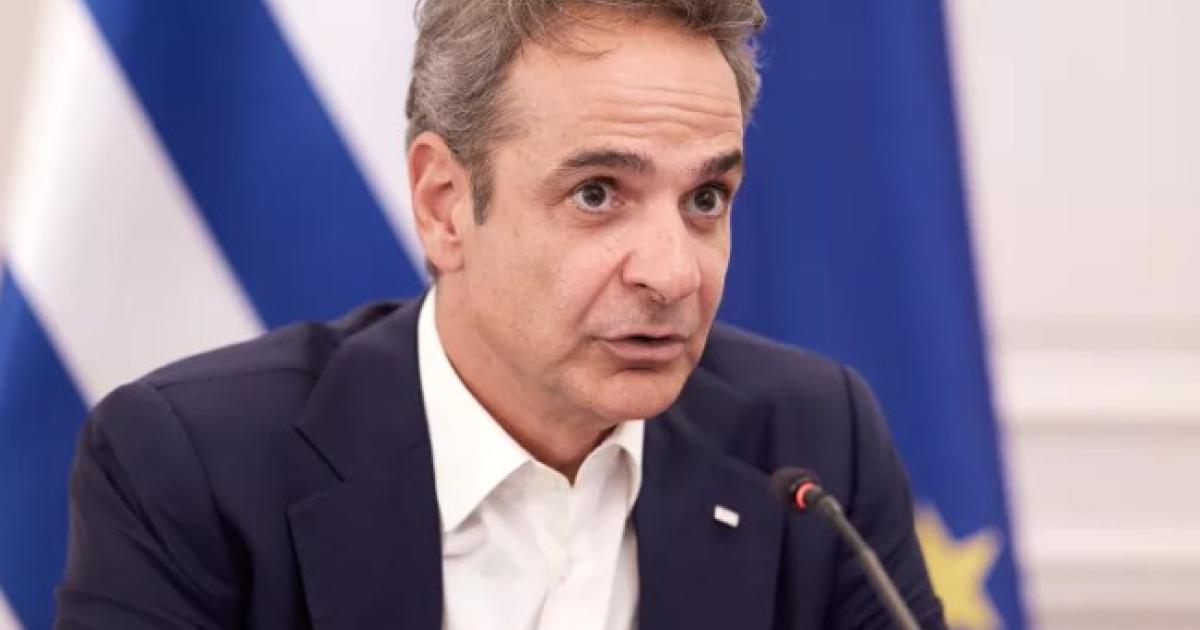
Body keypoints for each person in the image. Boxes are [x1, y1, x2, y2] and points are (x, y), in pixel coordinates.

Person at [56, 1, 946, 628]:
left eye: (705, 199)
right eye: (598, 193)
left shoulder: (811, 443)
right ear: (445, 205)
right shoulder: (195, 467)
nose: (674, 274)